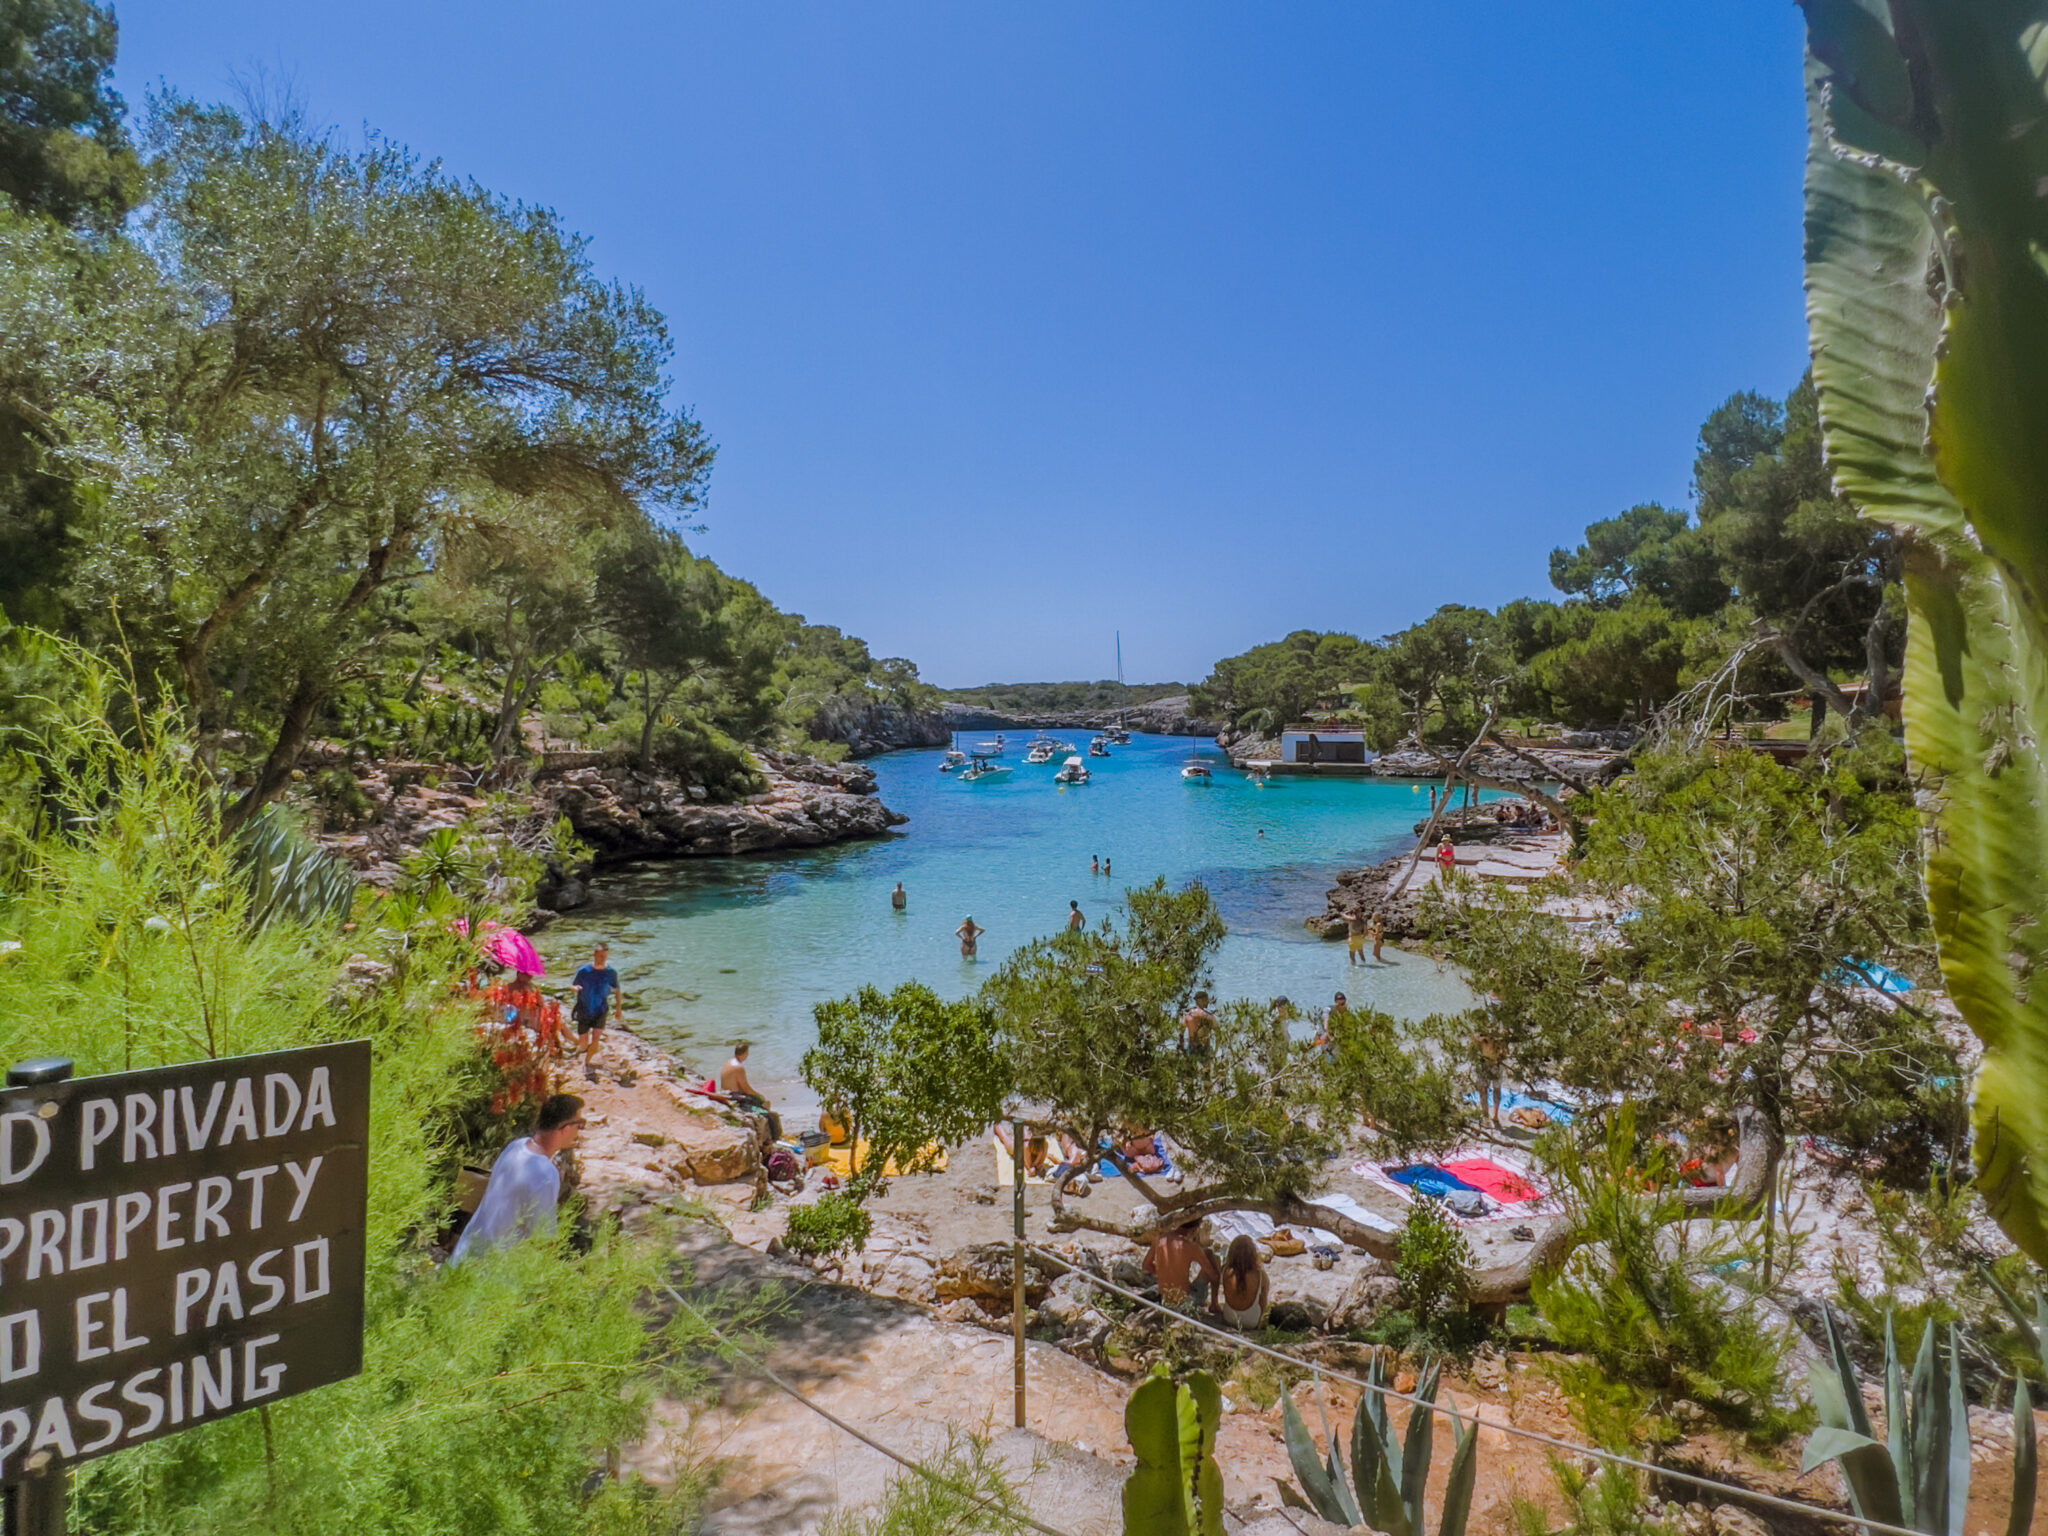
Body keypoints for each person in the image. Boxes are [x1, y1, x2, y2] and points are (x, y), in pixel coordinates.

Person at [451, 1093, 584, 1264]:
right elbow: (543, 1236)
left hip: (465, 1256)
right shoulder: (545, 1174)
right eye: (579, 1125)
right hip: (492, 1272)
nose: (578, 1132)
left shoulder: (516, 1146)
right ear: (565, 1128)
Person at [570, 943, 625, 1082]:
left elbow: (617, 990)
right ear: (594, 955)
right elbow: (573, 984)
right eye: (600, 956)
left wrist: (618, 1009)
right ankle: (584, 1049)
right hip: (584, 1008)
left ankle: (587, 1063)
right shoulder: (584, 971)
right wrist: (575, 988)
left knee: (596, 1038)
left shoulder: (610, 973)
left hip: (601, 1009)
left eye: (604, 956)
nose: (602, 959)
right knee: (583, 1041)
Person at [1143, 1221, 1221, 1315]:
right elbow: (1213, 1276)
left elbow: (1146, 1266)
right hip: (1184, 1302)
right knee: (1211, 1256)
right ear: (1194, 1229)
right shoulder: (1190, 1246)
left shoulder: (1161, 1239)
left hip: (1164, 1298)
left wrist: (1163, 1273)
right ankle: (1214, 1304)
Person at [720, 1042, 782, 1139]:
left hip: (727, 1094)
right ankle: (774, 1138)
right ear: (745, 1053)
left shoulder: (729, 1062)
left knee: (761, 1102)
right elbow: (746, 1089)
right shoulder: (738, 1067)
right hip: (735, 1097)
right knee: (767, 1110)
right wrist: (759, 1096)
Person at [1215, 1235, 1270, 1331]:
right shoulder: (1260, 1275)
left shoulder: (1226, 1271)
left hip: (1229, 1317)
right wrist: (1259, 1320)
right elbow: (1263, 1301)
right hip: (1251, 1321)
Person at [1180, 991, 1215, 1057]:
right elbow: (1218, 1034)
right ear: (1200, 1000)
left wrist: (1181, 1048)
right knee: (1207, 1066)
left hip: (1192, 1046)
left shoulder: (1187, 1015)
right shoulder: (1208, 1016)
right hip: (1205, 1046)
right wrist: (1215, 1051)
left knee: (1191, 1066)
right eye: (1206, 1000)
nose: (1208, 1002)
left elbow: (1181, 1032)